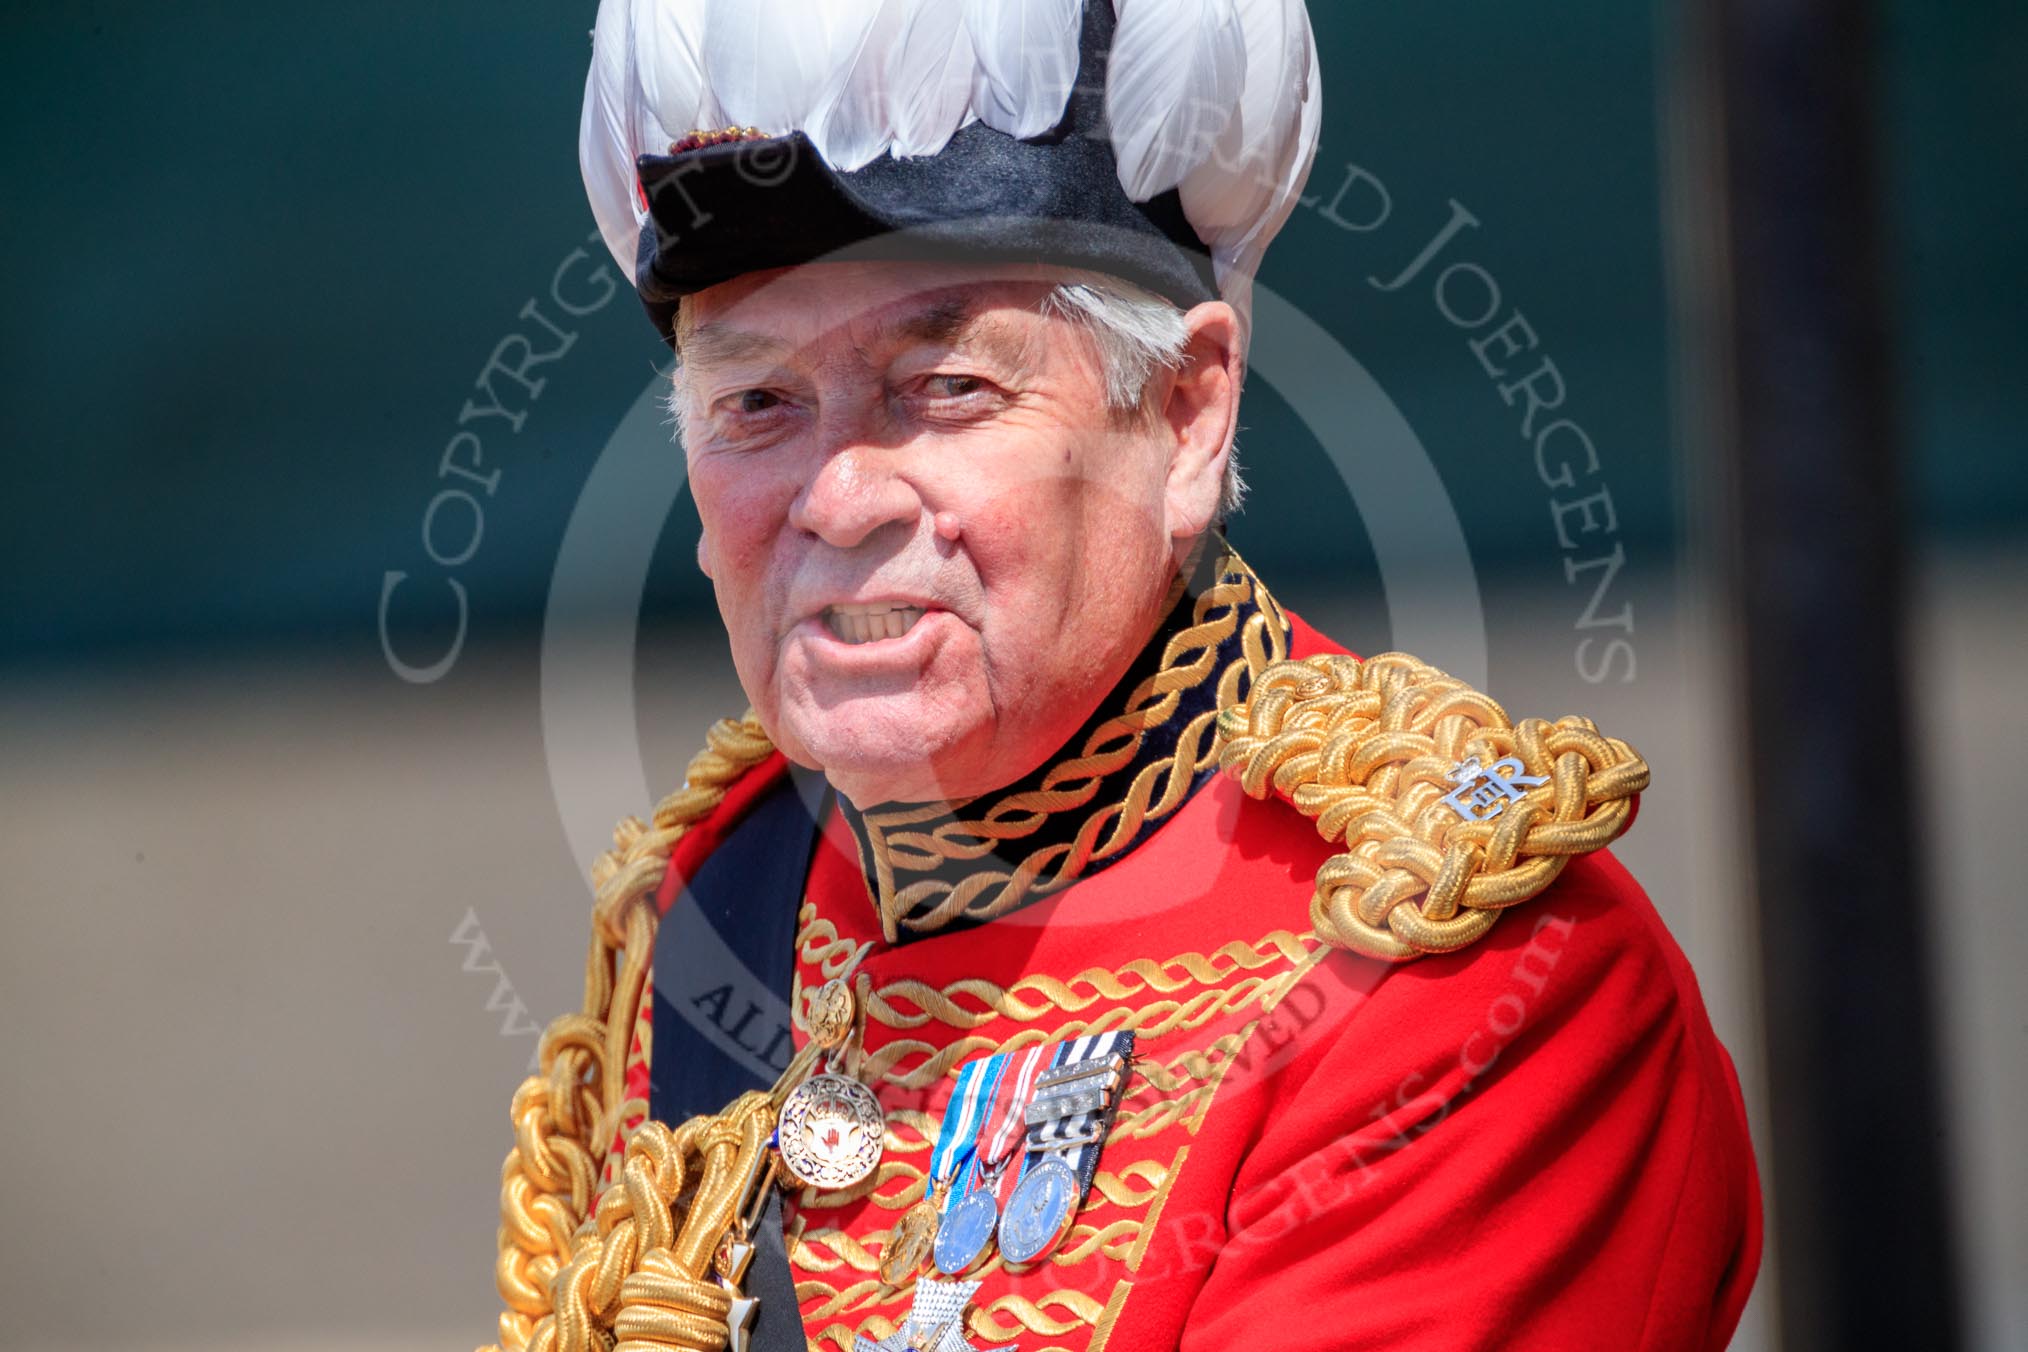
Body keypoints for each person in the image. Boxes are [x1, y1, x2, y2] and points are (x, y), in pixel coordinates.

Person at [481, 2, 1761, 1349]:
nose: (840, 495)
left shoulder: (1471, 989)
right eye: (757, 406)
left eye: (948, 385)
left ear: (1188, 413)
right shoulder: (717, 900)